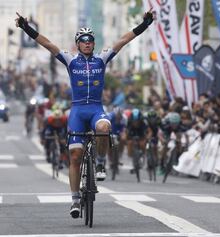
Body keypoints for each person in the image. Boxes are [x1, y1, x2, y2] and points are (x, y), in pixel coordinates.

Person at [15, 10, 154, 218]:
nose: (87, 43)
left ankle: (99, 162)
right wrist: (26, 27)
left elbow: (124, 40)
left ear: (94, 44)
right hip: (78, 111)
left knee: (104, 127)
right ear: (78, 43)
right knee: (75, 155)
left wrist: (146, 23)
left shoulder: (102, 59)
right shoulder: (71, 61)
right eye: (83, 40)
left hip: (96, 109)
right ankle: (75, 200)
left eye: (90, 40)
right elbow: (48, 44)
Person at [126, 108, 148, 180]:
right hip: (132, 132)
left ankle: (143, 155)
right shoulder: (129, 121)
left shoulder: (143, 122)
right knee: (129, 143)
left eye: (137, 121)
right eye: (134, 121)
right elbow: (127, 132)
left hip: (141, 133)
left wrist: (145, 139)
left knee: (142, 144)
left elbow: (146, 133)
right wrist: (128, 138)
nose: (135, 123)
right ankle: (131, 156)